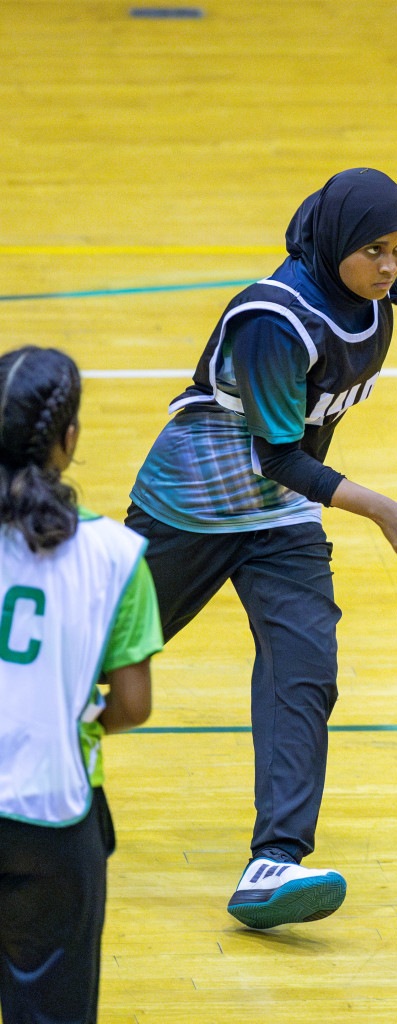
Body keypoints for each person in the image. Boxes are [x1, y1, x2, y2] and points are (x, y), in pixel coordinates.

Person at [124, 168, 397, 930]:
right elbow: (278, 455)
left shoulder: (363, 290)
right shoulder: (273, 320)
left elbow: (365, 296)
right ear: (334, 242)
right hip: (194, 504)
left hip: (280, 515)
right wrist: (383, 510)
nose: (388, 265)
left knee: (305, 671)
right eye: (375, 250)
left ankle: (274, 861)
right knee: (97, 655)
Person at [0, 346, 162, 1024]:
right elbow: (132, 705)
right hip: (53, 816)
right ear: (67, 439)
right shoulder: (114, 555)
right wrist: (78, 712)